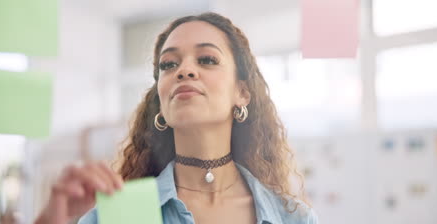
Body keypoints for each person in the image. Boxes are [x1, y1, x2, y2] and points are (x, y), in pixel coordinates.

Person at [34, 12, 318, 224]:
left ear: (242, 93)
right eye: (169, 65)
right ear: (160, 102)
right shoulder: (118, 215)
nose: (184, 70)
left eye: (207, 59)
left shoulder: (293, 218)